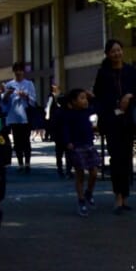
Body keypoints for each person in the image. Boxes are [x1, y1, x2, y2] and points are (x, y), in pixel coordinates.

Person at [92, 39, 136, 215]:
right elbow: (98, 97)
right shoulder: (103, 73)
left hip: (128, 121)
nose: (117, 54)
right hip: (111, 122)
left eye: (119, 50)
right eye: (113, 51)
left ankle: (125, 196)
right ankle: (118, 195)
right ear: (108, 54)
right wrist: (114, 104)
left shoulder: (131, 71)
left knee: (126, 158)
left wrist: (129, 96)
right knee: (116, 159)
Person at [55, 87, 101, 215]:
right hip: (76, 146)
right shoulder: (68, 114)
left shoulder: (87, 111)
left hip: (88, 144)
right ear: (73, 101)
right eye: (81, 98)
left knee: (94, 172)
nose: (85, 101)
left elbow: (98, 106)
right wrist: (67, 142)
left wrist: (92, 96)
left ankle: (89, 192)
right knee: (79, 174)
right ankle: (81, 200)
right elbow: (65, 129)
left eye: (85, 98)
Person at [0, 62, 39, 172]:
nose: (18, 72)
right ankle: (20, 164)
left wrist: (25, 96)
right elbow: (3, 101)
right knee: (17, 142)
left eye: (20, 70)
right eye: (16, 70)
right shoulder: (9, 84)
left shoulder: (29, 83)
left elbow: (34, 99)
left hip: (25, 115)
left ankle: (27, 163)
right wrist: (6, 93)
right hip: (13, 116)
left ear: (23, 71)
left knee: (26, 140)